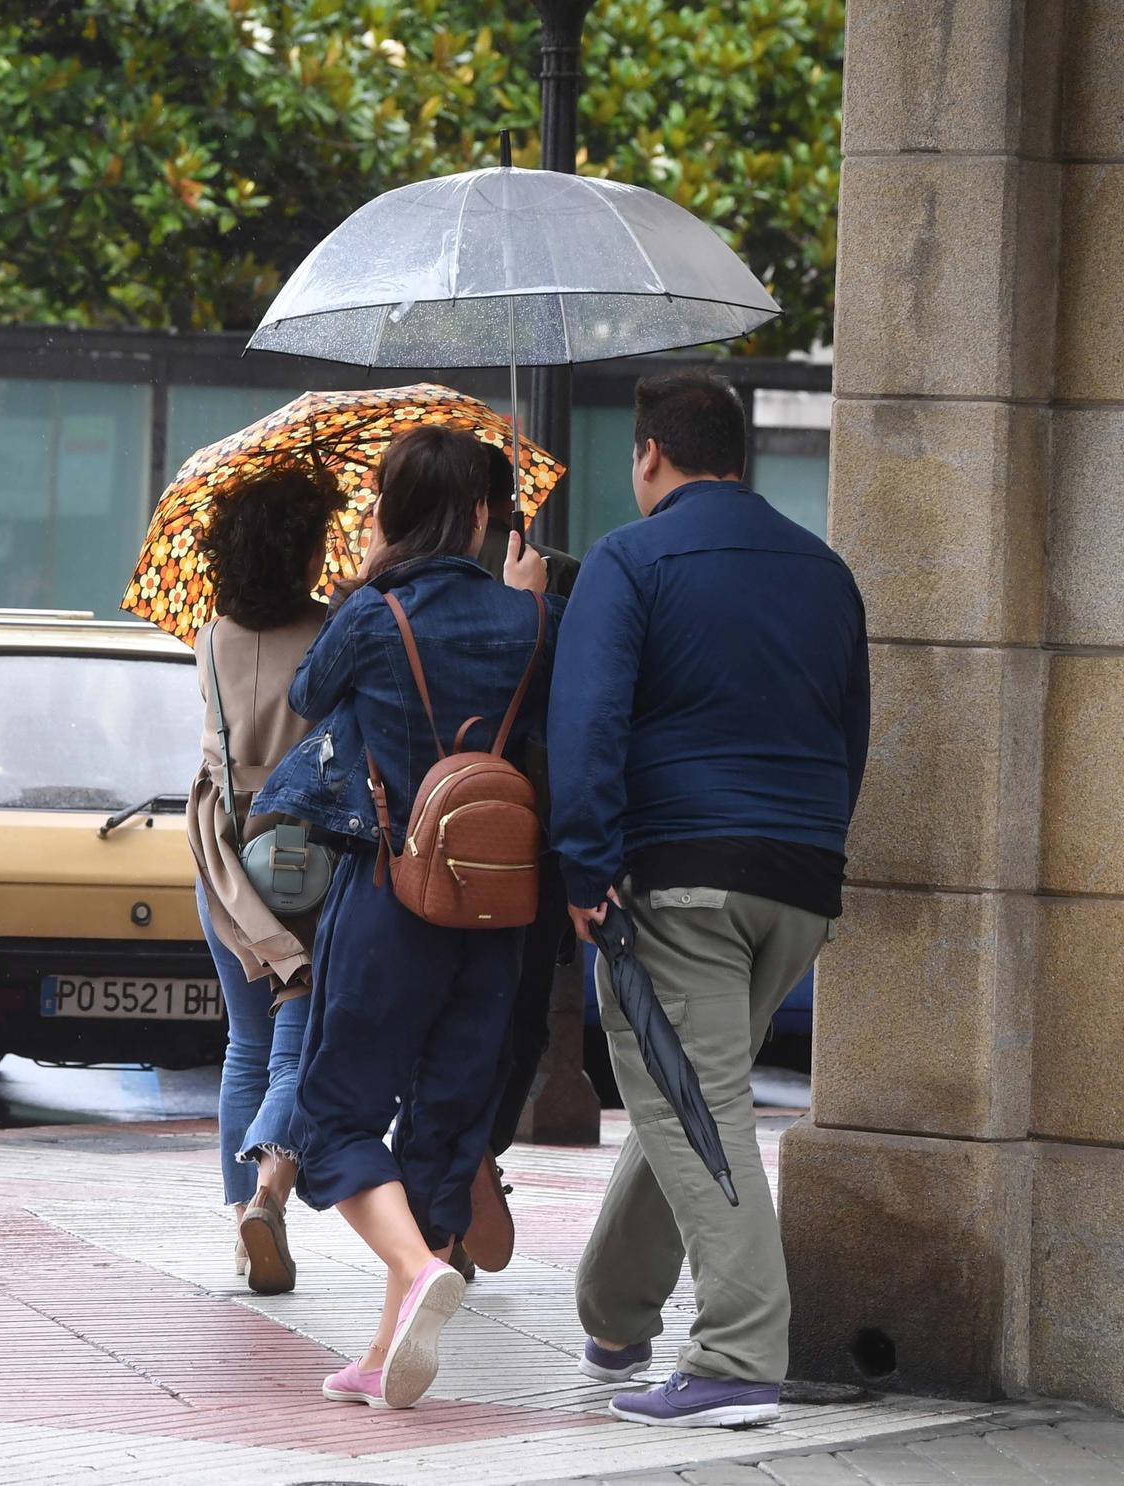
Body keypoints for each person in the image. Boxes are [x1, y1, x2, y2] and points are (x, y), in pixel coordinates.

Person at [548, 370, 870, 1429]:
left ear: (648, 454)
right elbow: (847, 729)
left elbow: (585, 722)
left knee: (694, 1102)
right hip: (797, 878)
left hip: (677, 879)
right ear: (739, 454)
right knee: (694, 1090)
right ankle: (614, 1306)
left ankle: (734, 1355)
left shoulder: (628, 558)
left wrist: (584, 869)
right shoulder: (822, 571)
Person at [252, 425, 556, 1410]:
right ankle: (386, 1351)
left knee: (333, 1115)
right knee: (444, 1118)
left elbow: (305, 694)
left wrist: (361, 586)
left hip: (391, 896)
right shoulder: (530, 620)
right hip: (498, 905)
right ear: (479, 514)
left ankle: (418, 1276)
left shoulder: (372, 612)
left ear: (395, 510)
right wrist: (523, 602)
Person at [397, 460, 583, 1283]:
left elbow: (583, 694)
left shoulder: (558, 584)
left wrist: (538, 604)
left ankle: (467, 1163)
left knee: (519, 1027)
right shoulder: (406, 595)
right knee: (454, 1023)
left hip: (524, 847)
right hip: (434, 844)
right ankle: (453, 1185)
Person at [186, 464, 344, 1296]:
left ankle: (239, 1226)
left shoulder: (210, 638)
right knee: (298, 1036)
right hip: (305, 857)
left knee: (243, 1044)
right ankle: (265, 1201)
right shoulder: (332, 633)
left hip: (220, 858)